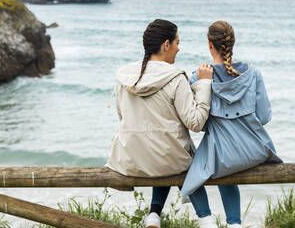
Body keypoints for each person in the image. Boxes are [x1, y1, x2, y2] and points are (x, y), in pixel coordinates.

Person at [106, 19, 220, 228]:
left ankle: (154, 215)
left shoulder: (125, 78)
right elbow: (195, 123)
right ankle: (206, 219)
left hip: (131, 160)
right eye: (177, 42)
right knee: (179, 156)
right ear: (166, 45)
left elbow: (122, 117)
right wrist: (204, 84)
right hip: (169, 161)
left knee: (162, 150)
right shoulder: (175, 78)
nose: (179, 48)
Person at [180, 20, 282, 228]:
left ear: (209, 44)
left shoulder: (197, 77)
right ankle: (235, 224)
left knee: (187, 165)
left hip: (223, 155)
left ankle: (206, 221)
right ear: (233, 42)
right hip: (256, 151)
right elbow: (263, 117)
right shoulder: (253, 73)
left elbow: (198, 120)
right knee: (225, 159)